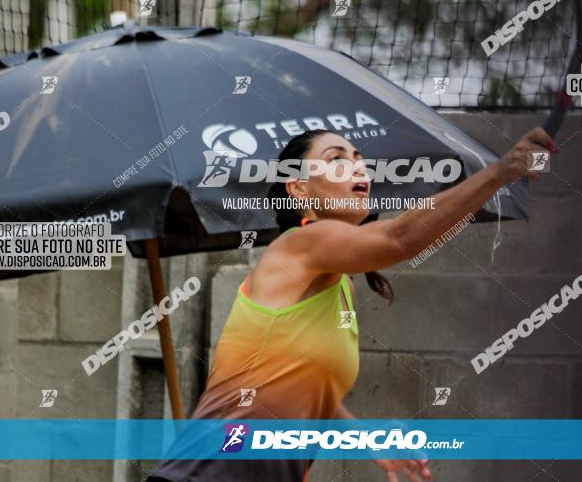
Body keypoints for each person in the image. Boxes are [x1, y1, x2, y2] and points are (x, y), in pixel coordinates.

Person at [148, 126, 556, 482]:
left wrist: (369, 438)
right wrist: (501, 173)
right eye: (336, 159)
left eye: (359, 158)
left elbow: (313, 395)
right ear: (299, 188)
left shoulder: (338, 285)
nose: (357, 166)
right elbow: (399, 238)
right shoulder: (299, 245)